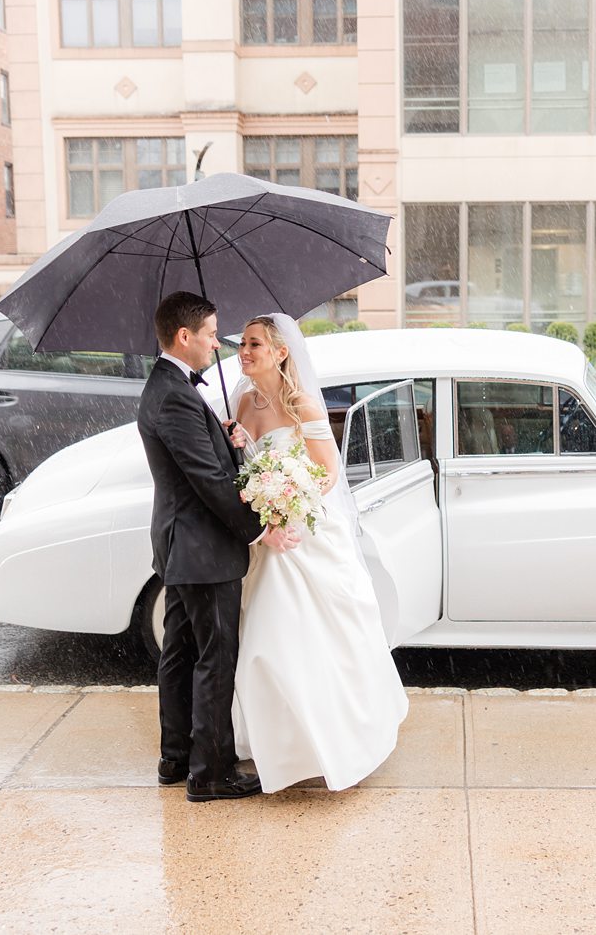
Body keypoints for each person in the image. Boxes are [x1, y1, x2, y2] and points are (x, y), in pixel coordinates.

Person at [227, 313, 409, 793]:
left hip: (305, 532)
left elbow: (328, 474)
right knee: (266, 641)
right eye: (242, 344)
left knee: (306, 637)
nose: (244, 352)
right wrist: (241, 452)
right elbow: (242, 468)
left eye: (255, 344)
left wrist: (291, 505)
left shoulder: (303, 403)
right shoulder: (242, 402)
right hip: (265, 539)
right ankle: (282, 749)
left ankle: (335, 742)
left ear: (281, 352)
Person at [138, 291, 297, 804]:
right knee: (215, 657)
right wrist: (258, 529)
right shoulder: (174, 394)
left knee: (181, 654)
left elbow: (201, 461)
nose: (215, 343)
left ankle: (177, 757)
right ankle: (211, 774)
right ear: (184, 337)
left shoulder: (168, 387)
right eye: (210, 333)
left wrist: (224, 440)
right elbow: (206, 479)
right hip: (203, 548)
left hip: (181, 544)